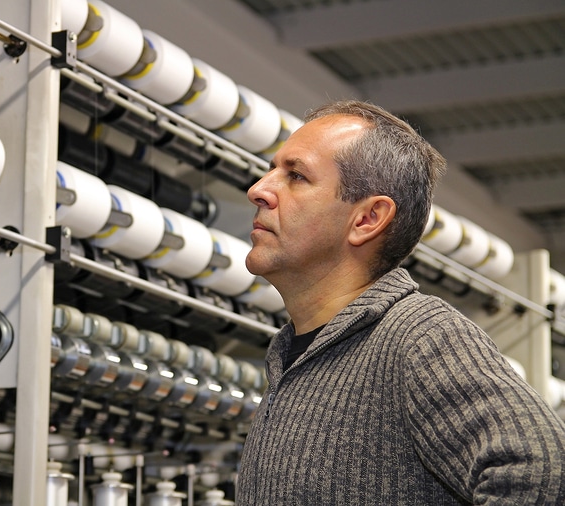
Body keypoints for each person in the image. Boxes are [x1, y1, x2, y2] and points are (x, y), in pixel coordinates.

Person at [236, 100, 565, 504]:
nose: (259, 189)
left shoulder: (421, 337)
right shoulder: (290, 359)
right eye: (272, 169)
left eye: (297, 176)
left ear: (367, 219)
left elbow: (545, 470)